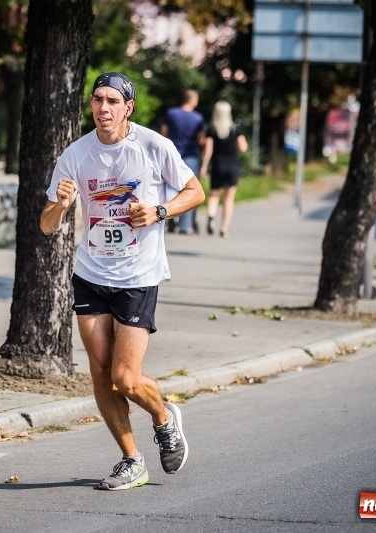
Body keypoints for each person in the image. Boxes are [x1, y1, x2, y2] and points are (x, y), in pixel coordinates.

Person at [40, 72, 205, 491]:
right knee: (100, 372)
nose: (103, 107)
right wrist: (61, 205)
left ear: (128, 107)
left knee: (126, 378)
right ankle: (132, 460)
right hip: (91, 273)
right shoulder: (76, 154)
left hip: (137, 275)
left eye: (113, 100)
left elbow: (195, 191)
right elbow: (46, 225)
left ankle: (164, 417)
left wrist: (159, 212)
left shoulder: (153, 145)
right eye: (97, 99)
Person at [199, 101, 247, 238]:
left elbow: (208, 150)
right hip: (232, 165)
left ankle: (211, 216)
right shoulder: (235, 128)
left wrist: (204, 166)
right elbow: (243, 147)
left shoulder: (211, 129)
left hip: (218, 165)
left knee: (214, 195)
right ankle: (224, 228)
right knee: (229, 198)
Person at [161, 89, 205, 235]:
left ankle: (168, 216)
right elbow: (200, 139)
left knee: (169, 187)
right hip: (190, 155)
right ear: (193, 100)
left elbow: (164, 134)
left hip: (172, 154)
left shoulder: (171, 113)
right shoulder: (198, 118)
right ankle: (185, 226)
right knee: (189, 189)